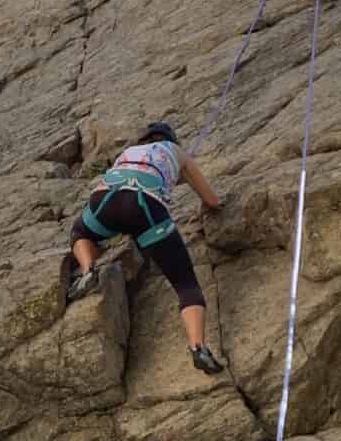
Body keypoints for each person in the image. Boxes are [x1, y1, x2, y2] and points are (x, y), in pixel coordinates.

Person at [66, 123, 225, 375]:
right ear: (171, 139)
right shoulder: (176, 151)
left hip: (105, 200)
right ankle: (198, 348)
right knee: (185, 284)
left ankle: (88, 269)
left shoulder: (128, 153)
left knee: (80, 232)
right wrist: (210, 206)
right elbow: (212, 200)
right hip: (145, 207)